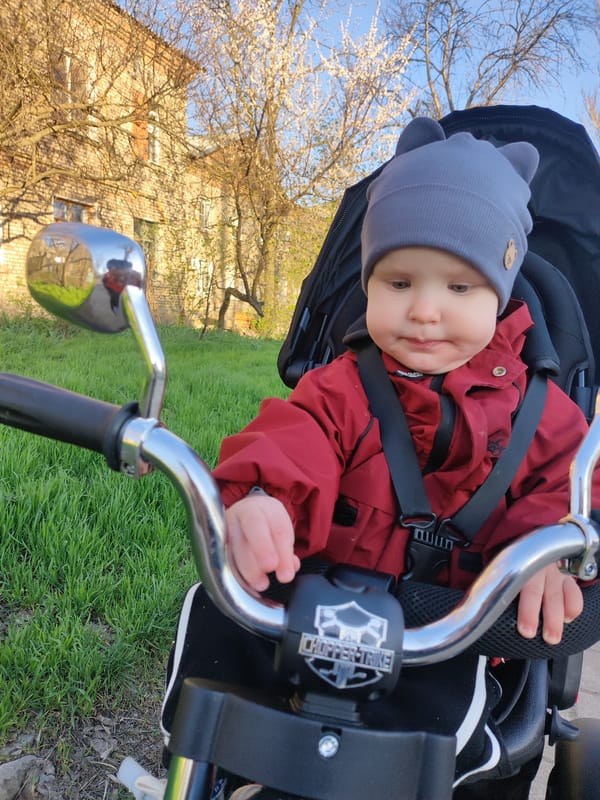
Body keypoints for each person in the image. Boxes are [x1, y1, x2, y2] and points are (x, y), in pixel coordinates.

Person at [164, 118, 595, 798]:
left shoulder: (544, 415)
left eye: (459, 288)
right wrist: (259, 500)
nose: (424, 310)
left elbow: (574, 490)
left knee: (454, 719)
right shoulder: (343, 385)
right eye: (398, 282)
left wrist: (552, 556)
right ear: (368, 282)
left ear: (503, 291)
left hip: (452, 632)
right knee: (218, 613)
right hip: (326, 626)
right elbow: (292, 440)